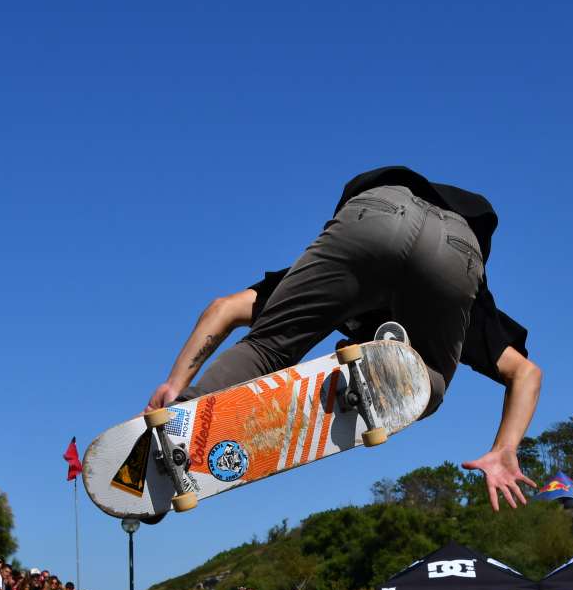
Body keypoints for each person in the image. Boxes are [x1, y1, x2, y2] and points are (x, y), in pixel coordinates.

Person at [145, 167, 542, 512]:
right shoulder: (468, 315)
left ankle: (183, 417)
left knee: (268, 347)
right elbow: (526, 373)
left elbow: (225, 308)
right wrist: (505, 449)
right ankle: (387, 361)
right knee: (426, 382)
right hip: (457, 249)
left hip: (374, 215)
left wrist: (177, 385)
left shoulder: (330, 277)